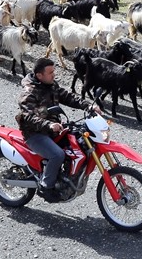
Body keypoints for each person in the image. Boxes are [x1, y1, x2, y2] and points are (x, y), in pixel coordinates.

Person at [17, 58, 97, 199]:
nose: (54, 75)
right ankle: (46, 187)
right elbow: (27, 117)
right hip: (35, 134)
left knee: (79, 144)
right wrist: (48, 124)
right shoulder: (28, 93)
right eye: (50, 72)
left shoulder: (51, 85)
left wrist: (87, 105)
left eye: (54, 71)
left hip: (53, 130)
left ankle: (66, 178)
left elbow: (67, 96)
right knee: (57, 155)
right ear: (39, 75)